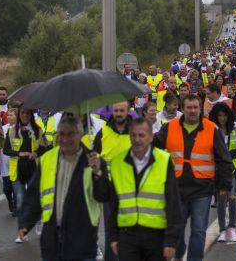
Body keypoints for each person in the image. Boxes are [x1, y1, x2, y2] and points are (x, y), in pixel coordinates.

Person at [18, 115, 110, 261]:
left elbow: (104, 195)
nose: (65, 139)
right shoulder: (48, 158)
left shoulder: (94, 160)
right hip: (52, 237)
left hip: (82, 237)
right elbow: (34, 193)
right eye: (61, 134)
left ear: (80, 135)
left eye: (70, 134)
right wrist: (25, 222)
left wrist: (98, 173)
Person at [155, 94, 233, 261]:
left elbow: (224, 159)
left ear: (200, 109)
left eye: (195, 107)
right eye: (189, 107)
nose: (192, 111)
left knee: (198, 231)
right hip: (176, 190)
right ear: (182, 109)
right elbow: (154, 148)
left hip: (202, 190)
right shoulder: (169, 127)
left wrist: (224, 186)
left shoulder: (212, 129)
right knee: (177, 231)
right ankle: (179, 252)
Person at [93, 117, 183, 261]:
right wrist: (114, 236)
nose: (137, 139)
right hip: (127, 236)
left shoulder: (164, 160)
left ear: (151, 137)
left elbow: (173, 202)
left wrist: (171, 241)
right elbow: (112, 202)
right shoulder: (118, 162)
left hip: (156, 235)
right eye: (133, 135)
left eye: (142, 135)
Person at [93, 100, 132, 261]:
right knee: (111, 230)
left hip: (131, 188)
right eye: (116, 111)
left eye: (122, 111)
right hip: (109, 189)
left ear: (127, 111)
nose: (118, 114)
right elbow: (94, 155)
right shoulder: (103, 132)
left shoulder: (136, 131)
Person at [209, 103, 236, 243]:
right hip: (218, 169)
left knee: (232, 197)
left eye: (224, 115)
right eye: (219, 116)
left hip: (234, 168)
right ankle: (222, 230)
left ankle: (231, 228)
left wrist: (227, 155)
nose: (222, 118)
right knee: (221, 199)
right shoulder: (211, 129)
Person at [4, 108, 43, 226]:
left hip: (33, 168)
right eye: (22, 113)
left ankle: (39, 223)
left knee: (35, 199)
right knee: (20, 201)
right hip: (17, 169)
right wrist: (18, 153)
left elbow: (44, 148)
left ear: (31, 115)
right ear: (19, 115)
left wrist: (36, 153)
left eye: (27, 113)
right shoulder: (11, 131)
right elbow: (6, 150)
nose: (25, 115)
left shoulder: (38, 130)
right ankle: (22, 230)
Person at [0, 105, 17, 216]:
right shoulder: (3, 129)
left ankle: (15, 205)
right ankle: (10, 201)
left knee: (15, 186)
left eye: (11, 115)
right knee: (7, 188)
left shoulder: (20, 129)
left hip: (16, 162)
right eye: (8, 115)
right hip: (4, 162)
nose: (9, 117)